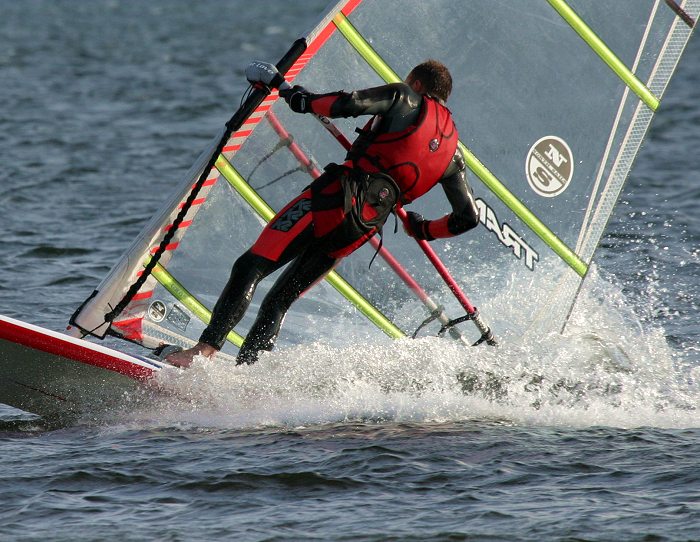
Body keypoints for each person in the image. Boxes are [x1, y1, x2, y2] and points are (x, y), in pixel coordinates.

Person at [166, 59, 479, 368]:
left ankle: (202, 351)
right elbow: (467, 218)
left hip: (334, 199)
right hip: (363, 228)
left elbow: (347, 103)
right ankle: (248, 378)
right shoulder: (453, 153)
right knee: (279, 300)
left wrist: (298, 98)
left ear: (418, 85)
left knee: (251, 266)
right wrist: (423, 229)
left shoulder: (404, 97)